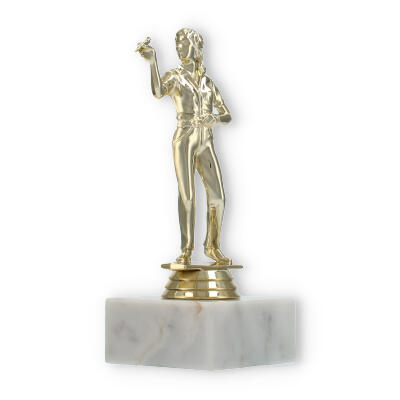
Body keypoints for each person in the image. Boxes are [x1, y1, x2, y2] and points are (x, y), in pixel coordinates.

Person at [138, 28, 232, 265]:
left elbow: (226, 114)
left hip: (206, 140)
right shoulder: (176, 76)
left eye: (184, 43)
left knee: (218, 196)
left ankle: (212, 246)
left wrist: (214, 119)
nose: (180, 47)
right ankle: (186, 249)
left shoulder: (208, 83)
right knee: (187, 194)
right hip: (185, 138)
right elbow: (158, 92)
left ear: (196, 47)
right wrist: (153, 62)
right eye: (177, 44)